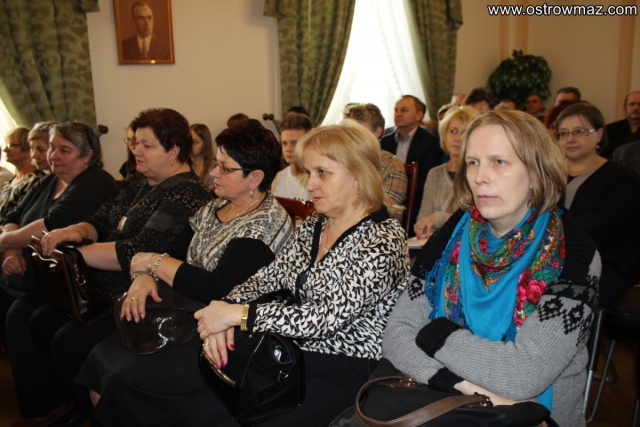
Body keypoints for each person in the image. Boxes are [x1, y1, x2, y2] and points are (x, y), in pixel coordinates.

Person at [162, 120, 409, 426]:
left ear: (358, 176)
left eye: (322, 173)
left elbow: (325, 318)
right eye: (309, 173)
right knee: (193, 413)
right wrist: (224, 308)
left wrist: (239, 316)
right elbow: (268, 277)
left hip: (348, 367)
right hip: (294, 352)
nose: (310, 184)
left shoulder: (384, 240)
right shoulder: (317, 225)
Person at [384, 110, 600, 427]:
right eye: (473, 162)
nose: (479, 177)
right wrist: (463, 386)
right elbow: (396, 335)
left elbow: (524, 375)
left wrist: (436, 334)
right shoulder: (454, 232)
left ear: (537, 171)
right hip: (443, 405)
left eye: (499, 162)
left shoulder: (573, 253)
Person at [74, 119, 294, 426]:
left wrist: (152, 262)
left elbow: (217, 288)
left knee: (125, 379)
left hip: (224, 330)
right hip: (184, 312)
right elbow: (174, 253)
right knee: (102, 357)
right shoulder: (215, 206)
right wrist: (145, 275)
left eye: (225, 168)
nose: (213, 173)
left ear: (254, 177)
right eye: (215, 163)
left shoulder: (265, 222)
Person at [6, 109, 212, 427]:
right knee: (39, 323)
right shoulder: (139, 179)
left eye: (146, 145)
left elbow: (136, 252)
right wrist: (76, 230)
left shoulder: (187, 193)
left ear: (173, 151)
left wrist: (77, 253)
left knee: (67, 342)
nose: (136, 150)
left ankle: (93, 413)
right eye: (135, 143)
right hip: (101, 286)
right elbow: (101, 218)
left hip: (139, 296)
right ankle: (72, 401)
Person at [556, 103, 640, 307]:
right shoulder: (549, 177)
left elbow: (611, 222)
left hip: (604, 263)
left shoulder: (622, 178)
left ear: (599, 134)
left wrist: (551, 231)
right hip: (551, 260)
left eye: (579, 131)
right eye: (563, 133)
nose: (570, 139)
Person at [414, 106, 479, 239]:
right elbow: (422, 218)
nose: (458, 138)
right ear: (444, 136)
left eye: (465, 132)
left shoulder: (478, 174)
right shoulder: (435, 173)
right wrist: (422, 225)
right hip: (434, 242)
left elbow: (476, 221)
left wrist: (439, 218)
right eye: (453, 131)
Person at [381, 95, 443, 222]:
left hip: (416, 203)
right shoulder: (385, 141)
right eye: (396, 110)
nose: (398, 114)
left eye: (404, 110)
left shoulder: (431, 143)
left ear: (419, 115)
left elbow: (425, 181)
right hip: (386, 197)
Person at [344, 103, 407, 221]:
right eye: (347, 130)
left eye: (357, 129)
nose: (350, 135)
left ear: (377, 131)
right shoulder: (341, 161)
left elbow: (387, 211)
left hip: (377, 228)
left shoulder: (391, 165)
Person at [0, 128, 46, 224]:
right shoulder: (13, 179)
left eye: (11, 145)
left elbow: (26, 215)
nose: (5, 150)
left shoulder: (36, 179)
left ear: (28, 150)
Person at [271, 113, 313, 201]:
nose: (288, 149)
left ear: (308, 143)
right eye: (284, 143)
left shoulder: (316, 178)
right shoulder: (279, 177)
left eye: (295, 143)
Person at [604, 90, 640, 158]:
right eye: (632, 104)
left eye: (639, 104)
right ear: (625, 108)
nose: (636, 108)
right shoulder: (609, 130)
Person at [190, 123, 216, 188]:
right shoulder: (182, 165)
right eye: (187, 141)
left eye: (194, 142)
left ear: (205, 143)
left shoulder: (213, 168)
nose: (189, 145)